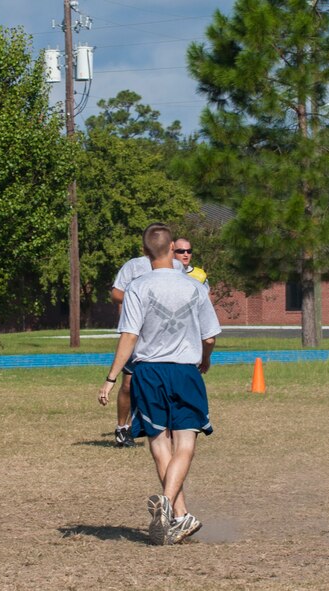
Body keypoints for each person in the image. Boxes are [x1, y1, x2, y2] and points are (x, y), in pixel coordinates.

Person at [98, 222, 221, 545]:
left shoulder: (137, 287)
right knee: (185, 443)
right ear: (172, 250)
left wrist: (111, 378)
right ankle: (169, 505)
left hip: (148, 372)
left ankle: (180, 516)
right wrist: (205, 360)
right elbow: (209, 336)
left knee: (158, 443)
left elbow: (129, 336)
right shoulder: (195, 286)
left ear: (144, 252)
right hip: (184, 371)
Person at [110, 252, 185, 448]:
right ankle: (122, 428)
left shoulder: (176, 267)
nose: (185, 254)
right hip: (139, 333)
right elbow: (116, 293)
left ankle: (166, 426)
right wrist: (139, 297)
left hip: (166, 335)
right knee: (128, 383)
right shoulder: (134, 266)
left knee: (166, 382)